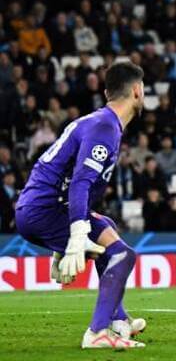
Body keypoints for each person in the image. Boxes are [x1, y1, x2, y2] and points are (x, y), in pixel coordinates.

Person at [15, 62, 147, 348]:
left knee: (108, 228)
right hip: (45, 211)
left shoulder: (101, 121)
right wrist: (75, 235)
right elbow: (80, 183)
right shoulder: (104, 127)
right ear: (137, 91)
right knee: (122, 255)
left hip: (41, 206)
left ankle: (118, 320)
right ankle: (97, 333)